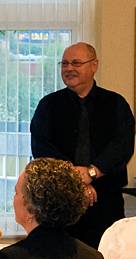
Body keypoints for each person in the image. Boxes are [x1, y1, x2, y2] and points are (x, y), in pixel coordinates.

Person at [31, 41, 135, 248]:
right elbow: (41, 147)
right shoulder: (48, 105)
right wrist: (76, 178)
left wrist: (92, 172)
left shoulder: (116, 104)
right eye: (64, 64)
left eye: (76, 63)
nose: (69, 68)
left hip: (106, 203)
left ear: (94, 65)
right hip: (58, 205)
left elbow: (122, 146)